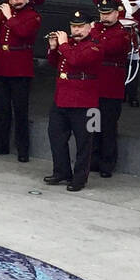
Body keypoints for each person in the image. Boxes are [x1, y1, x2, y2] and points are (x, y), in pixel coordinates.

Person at [42, 10, 104, 192]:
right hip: (62, 97)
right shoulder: (67, 44)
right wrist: (54, 48)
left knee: (84, 141)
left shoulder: (95, 45)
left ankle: (80, 177)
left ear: (89, 27)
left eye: (79, 26)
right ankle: (61, 171)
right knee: (56, 135)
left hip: (85, 100)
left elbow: (76, 61)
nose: (75, 30)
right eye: (73, 26)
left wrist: (62, 45)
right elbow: (57, 63)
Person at [0, 0, 40, 162]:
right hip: (2, 65)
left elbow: (24, 32)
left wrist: (8, 17)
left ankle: (22, 149)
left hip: (20, 67)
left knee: (20, 110)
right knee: (1, 109)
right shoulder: (6, 13)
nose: (15, 0)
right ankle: (0, 144)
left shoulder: (32, 15)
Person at [90, 0, 132, 178]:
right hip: (93, 86)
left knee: (107, 127)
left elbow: (105, 48)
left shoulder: (122, 33)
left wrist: (92, 35)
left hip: (111, 88)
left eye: (108, 14)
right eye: (102, 13)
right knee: (92, 125)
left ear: (117, 13)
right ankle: (91, 160)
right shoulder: (95, 28)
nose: (104, 17)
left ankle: (107, 164)